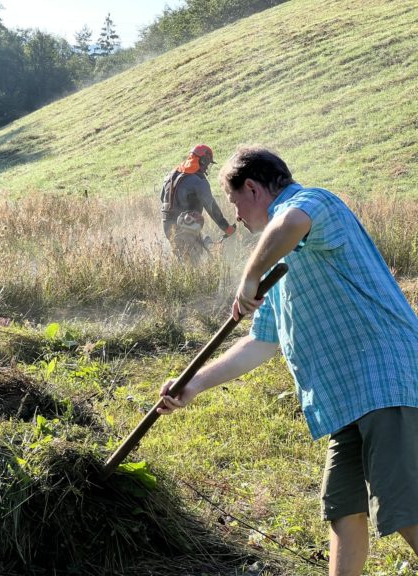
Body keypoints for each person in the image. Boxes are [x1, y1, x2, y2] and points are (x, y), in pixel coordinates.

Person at [157, 145, 418, 575]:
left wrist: (250, 274)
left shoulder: (312, 203)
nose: (236, 217)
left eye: (236, 202)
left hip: (383, 378)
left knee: (405, 507)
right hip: (347, 398)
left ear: (254, 189)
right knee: (343, 509)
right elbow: (263, 343)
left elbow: (292, 221)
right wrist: (195, 384)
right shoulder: (280, 263)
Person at [160, 144, 236, 263]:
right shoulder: (199, 181)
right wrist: (226, 227)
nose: (206, 168)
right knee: (194, 263)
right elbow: (211, 208)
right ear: (203, 160)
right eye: (207, 163)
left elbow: (162, 198)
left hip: (166, 225)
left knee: (183, 259)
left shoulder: (171, 174)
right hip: (187, 226)